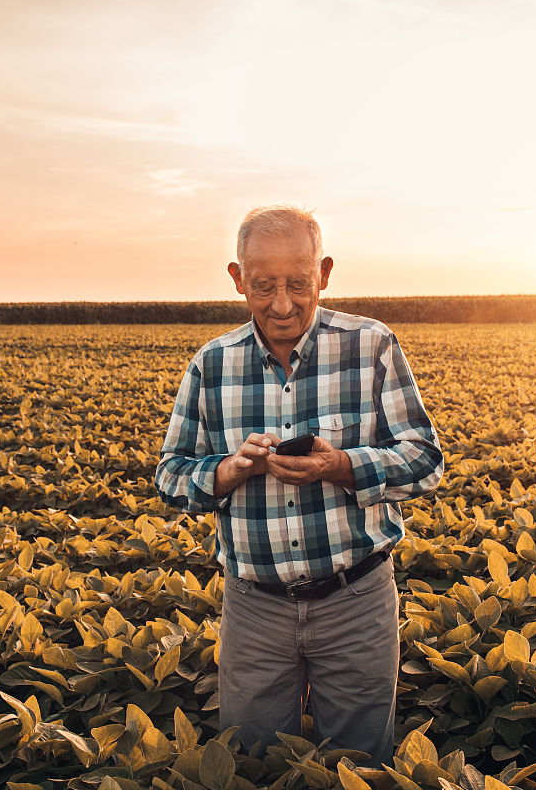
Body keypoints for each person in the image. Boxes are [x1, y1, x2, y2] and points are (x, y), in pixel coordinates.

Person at [154, 205, 443, 766]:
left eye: (298, 284)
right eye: (263, 286)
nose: (282, 305)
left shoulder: (372, 346)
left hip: (356, 600)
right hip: (254, 608)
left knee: (361, 766)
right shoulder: (211, 365)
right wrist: (227, 471)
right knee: (254, 762)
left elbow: (426, 461)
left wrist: (341, 465)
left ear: (325, 273)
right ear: (237, 279)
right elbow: (170, 476)